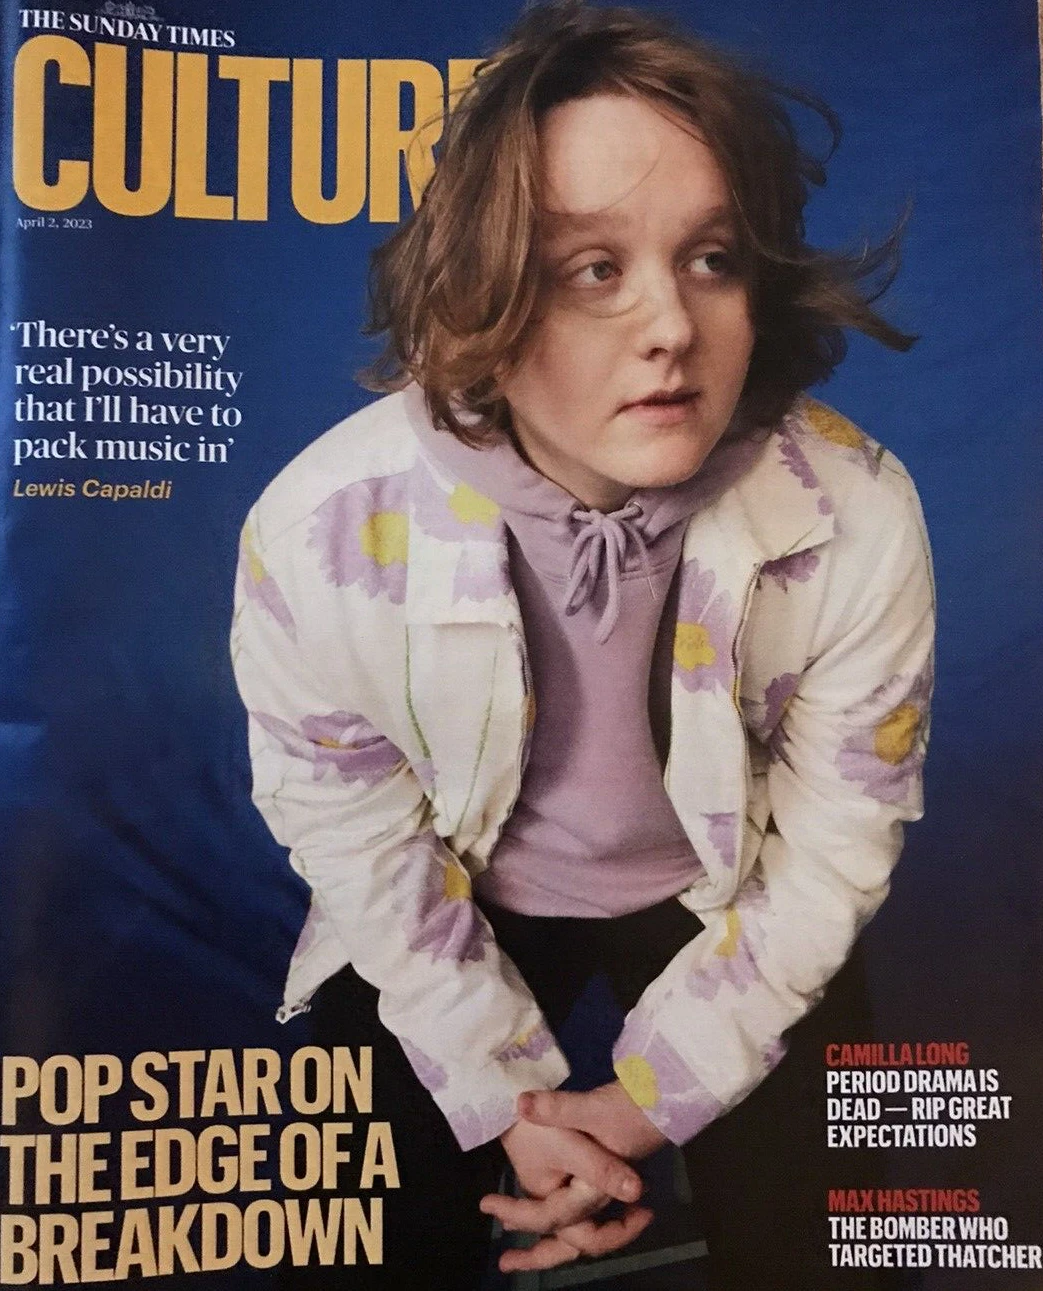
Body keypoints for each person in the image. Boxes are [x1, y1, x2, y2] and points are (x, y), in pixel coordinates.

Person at [231, 3, 934, 1287]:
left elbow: (834, 845)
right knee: (362, 1229)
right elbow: (350, 827)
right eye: (592, 268)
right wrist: (505, 1098)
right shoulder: (318, 531)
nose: (669, 324)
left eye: (710, 257)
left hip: (735, 894)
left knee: (830, 1243)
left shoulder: (856, 510)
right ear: (481, 290)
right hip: (456, 888)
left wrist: (647, 1099)